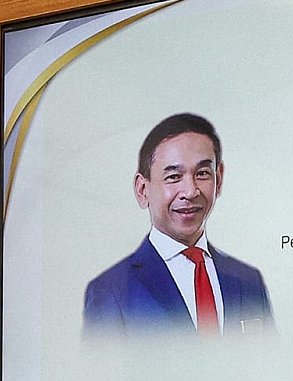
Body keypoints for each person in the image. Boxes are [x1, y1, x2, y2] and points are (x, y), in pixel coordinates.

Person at [83, 113, 274, 337]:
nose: (191, 192)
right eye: (173, 177)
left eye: (202, 173)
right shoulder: (111, 290)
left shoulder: (249, 280)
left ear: (219, 179)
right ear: (142, 189)